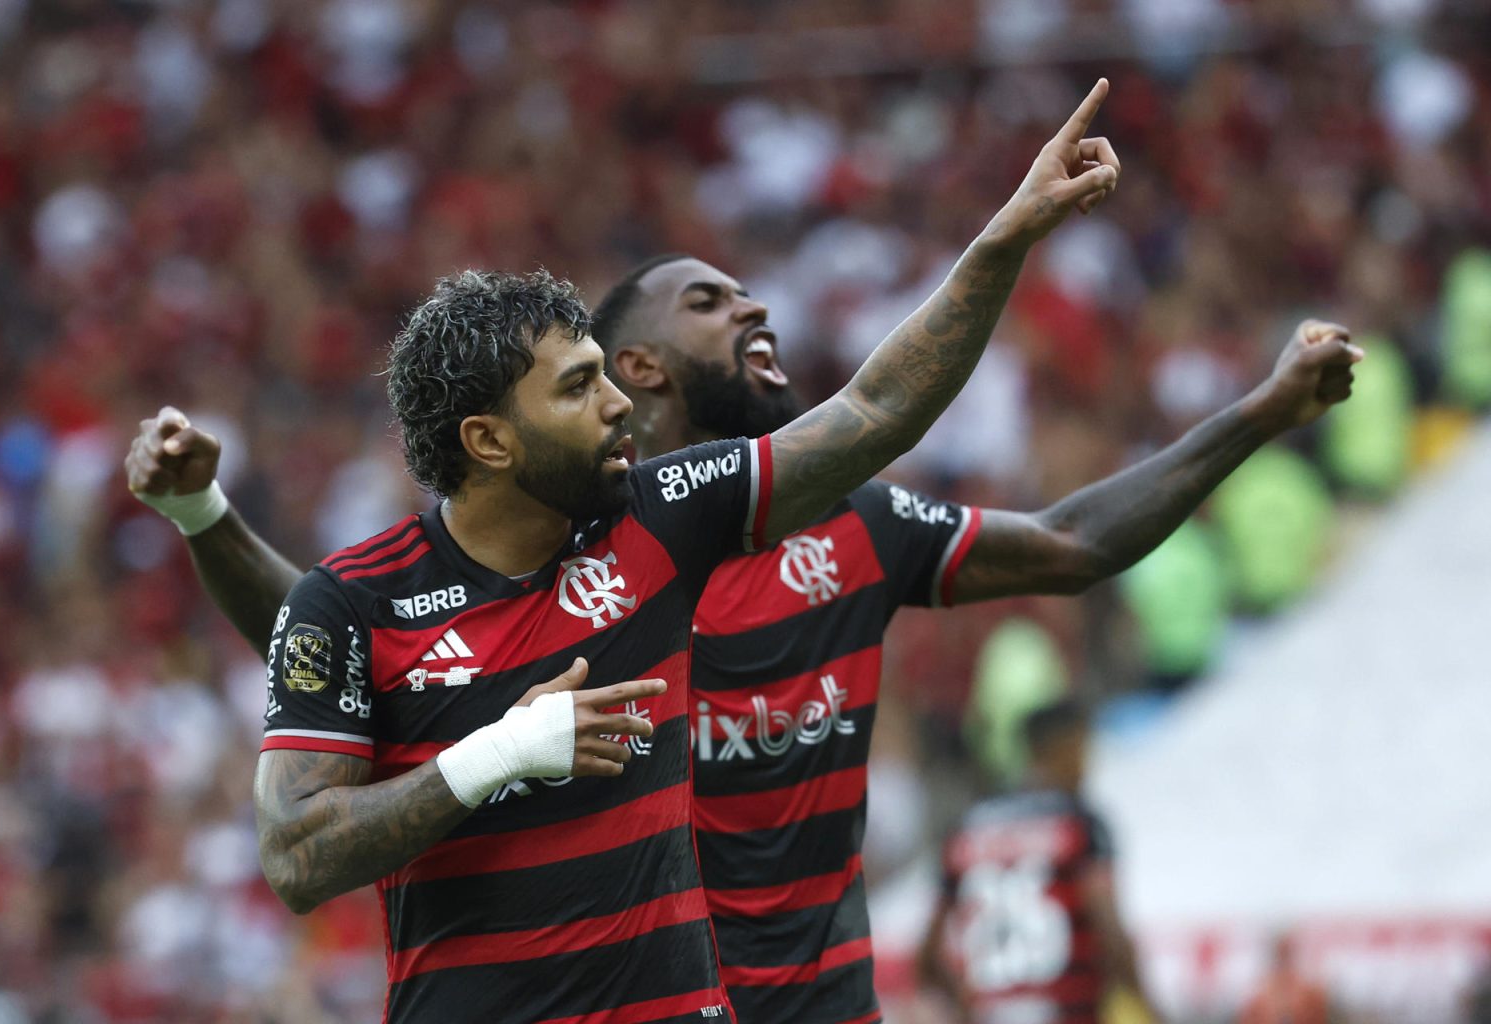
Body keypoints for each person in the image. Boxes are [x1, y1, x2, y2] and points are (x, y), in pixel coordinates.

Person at [127, 101, 1364, 1024]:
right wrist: (498, 748)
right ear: (496, 436)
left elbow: (887, 414)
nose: (612, 405)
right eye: (582, 385)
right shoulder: (366, 597)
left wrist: (1013, 230)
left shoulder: (687, 521)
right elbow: (306, 801)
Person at [919, 700, 1162, 1023]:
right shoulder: (1079, 824)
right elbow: (1109, 929)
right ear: (1065, 748)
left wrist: (969, 1006)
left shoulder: (967, 828)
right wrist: (1152, 1009)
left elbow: (926, 955)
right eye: (1084, 749)